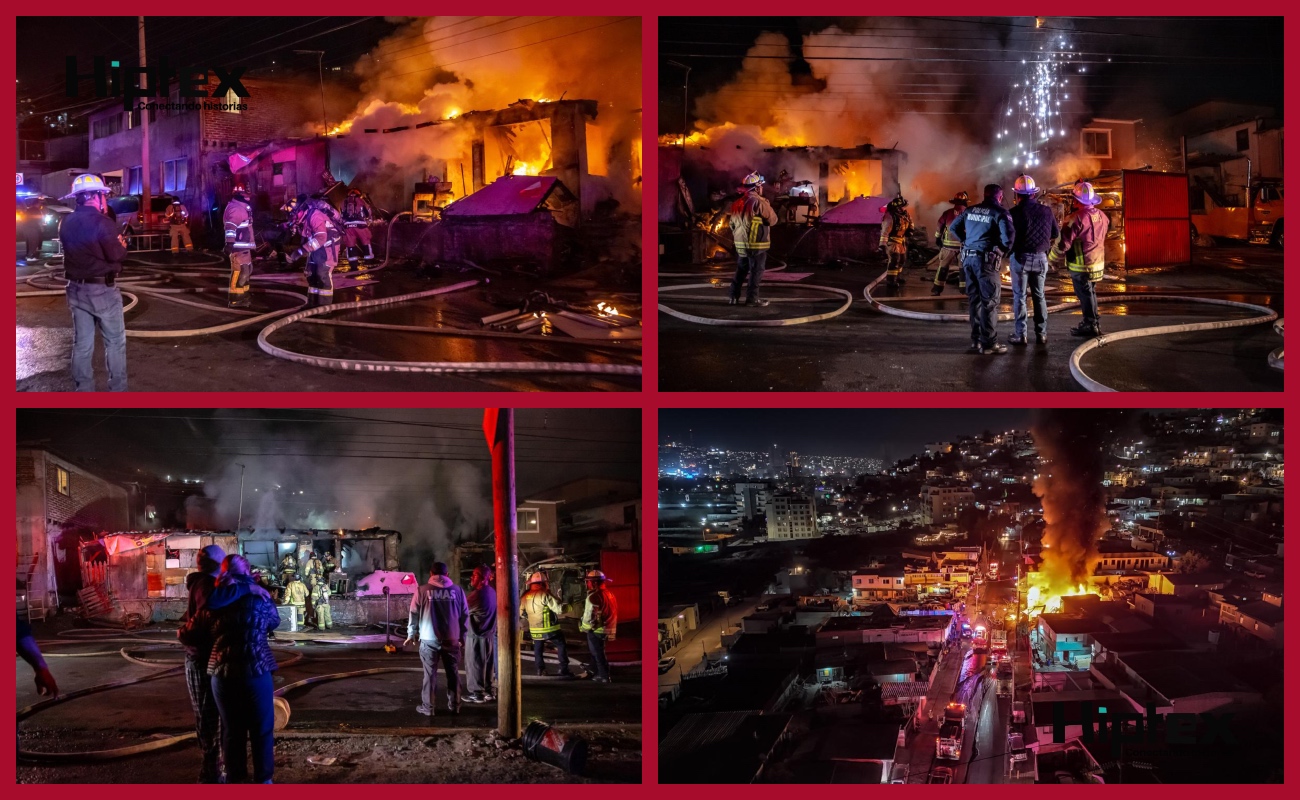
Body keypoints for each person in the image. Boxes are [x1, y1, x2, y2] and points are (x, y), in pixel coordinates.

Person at [179, 555, 280, 784]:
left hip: (223, 672)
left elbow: (187, 633)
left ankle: (235, 781)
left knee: (231, 731)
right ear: (249, 570)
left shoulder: (214, 600)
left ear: (223, 572)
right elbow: (274, 622)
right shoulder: (261, 596)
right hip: (258, 669)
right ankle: (264, 781)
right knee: (262, 729)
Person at [58, 173, 129, 391]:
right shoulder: (103, 223)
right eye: (104, 196)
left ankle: (84, 390)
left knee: (82, 344)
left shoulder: (65, 222)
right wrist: (122, 244)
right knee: (115, 342)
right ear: (97, 197)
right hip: (102, 291)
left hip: (75, 290)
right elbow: (116, 255)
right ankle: (118, 391)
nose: (105, 201)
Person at [949, 184, 1015, 355]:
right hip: (986, 261)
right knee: (990, 303)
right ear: (1000, 197)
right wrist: (1000, 251)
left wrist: (966, 241)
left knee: (975, 301)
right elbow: (1008, 238)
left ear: (984, 195)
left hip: (968, 260)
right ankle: (990, 344)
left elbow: (953, 227)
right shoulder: (1000, 213)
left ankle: (976, 342)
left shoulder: (970, 210)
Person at [179, 544, 226, 783]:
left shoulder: (201, 584)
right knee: (210, 716)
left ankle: (213, 770)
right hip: (203, 658)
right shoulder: (209, 587)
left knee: (209, 714)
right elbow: (203, 621)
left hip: (199, 657)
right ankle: (211, 774)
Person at [404, 562, 469, 716]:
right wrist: (463, 636)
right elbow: (465, 615)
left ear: (431, 574)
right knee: (453, 673)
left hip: (429, 639)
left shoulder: (422, 590)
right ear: (447, 575)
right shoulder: (458, 591)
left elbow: (413, 613)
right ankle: (455, 705)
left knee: (429, 674)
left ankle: (429, 708)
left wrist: (411, 633)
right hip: (452, 639)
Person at [1051, 181, 1110, 338]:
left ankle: (1090, 324)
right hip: (1097, 264)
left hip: (1081, 266)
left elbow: (1063, 244)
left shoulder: (1074, 219)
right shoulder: (1102, 216)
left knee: (1084, 294)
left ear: (1076, 200)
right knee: (1090, 292)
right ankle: (1094, 322)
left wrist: (1051, 260)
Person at [1007, 175, 1060, 346]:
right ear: (1033, 194)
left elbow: (1007, 236)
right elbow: (1055, 234)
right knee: (1039, 296)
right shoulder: (1046, 211)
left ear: (1017, 195)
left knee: (1020, 297)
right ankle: (1042, 334)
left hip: (1020, 258)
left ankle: (1020, 335)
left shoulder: (1013, 213)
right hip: (1040, 258)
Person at [727, 172, 778, 307]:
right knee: (756, 272)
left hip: (740, 244)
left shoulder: (736, 203)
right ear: (756, 188)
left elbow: (731, 225)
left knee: (741, 270)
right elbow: (773, 220)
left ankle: (733, 297)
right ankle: (752, 299)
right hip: (756, 244)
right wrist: (766, 203)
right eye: (760, 186)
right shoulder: (758, 202)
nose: (762, 188)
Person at [287, 194, 344, 307]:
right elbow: (306, 237)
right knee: (311, 274)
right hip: (317, 248)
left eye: (294, 214)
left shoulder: (315, 216)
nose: (294, 217)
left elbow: (321, 238)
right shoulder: (305, 218)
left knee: (322, 274)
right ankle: (313, 304)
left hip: (327, 248)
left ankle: (324, 308)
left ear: (301, 210)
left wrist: (301, 251)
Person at [521, 571, 574, 678]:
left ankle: (541, 670)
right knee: (561, 645)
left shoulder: (525, 596)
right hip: (550, 629)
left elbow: (521, 613)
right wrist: (570, 606)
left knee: (538, 649)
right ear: (542, 583)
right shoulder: (545, 594)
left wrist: (530, 618)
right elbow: (558, 609)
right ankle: (564, 669)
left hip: (535, 630)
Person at [462, 564, 497, 704]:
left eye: (475, 575)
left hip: (476, 636)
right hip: (488, 635)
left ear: (484, 579)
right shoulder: (491, 592)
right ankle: (489, 691)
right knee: (487, 666)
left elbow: (462, 609)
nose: (472, 577)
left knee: (474, 664)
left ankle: (477, 693)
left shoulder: (477, 595)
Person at [579, 570, 618, 683]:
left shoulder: (593, 597)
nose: (587, 584)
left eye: (589, 582)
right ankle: (592, 668)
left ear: (594, 583)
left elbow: (589, 616)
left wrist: (584, 627)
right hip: (608, 628)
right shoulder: (609, 594)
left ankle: (604, 676)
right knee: (596, 651)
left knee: (598, 653)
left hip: (597, 630)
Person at [223, 186, 256, 307]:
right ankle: (235, 299)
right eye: (246, 195)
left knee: (247, 271)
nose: (249, 198)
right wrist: (230, 243)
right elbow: (230, 227)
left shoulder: (242, 208)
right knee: (240, 272)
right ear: (240, 196)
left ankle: (244, 295)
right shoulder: (236, 209)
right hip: (237, 248)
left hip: (244, 248)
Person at [931, 191, 969, 296]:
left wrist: (938, 238)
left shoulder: (947, 213)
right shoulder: (969, 213)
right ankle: (964, 291)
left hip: (948, 246)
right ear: (965, 202)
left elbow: (940, 225)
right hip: (964, 246)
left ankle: (936, 290)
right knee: (963, 269)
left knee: (943, 267)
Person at [879, 194, 914, 290]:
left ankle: (898, 277)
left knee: (902, 260)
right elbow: (885, 231)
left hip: (901, 242)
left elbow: (911, 222)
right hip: (893, 242)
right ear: (897, 207)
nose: (903, 208)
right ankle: (891, 281)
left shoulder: (905, 215)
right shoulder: (890, 216)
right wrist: (882, 245)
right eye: (902, 207)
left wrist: (910, 229)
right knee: (894, 261)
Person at [341, 188, 376, 265]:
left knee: (350, 244)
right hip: (361, 225)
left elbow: (342, 214)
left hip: (348, 226)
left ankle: (353, 264)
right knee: (366, 242)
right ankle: (368, 261)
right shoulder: (361, 201)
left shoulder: (344, 202)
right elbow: (368, 213)